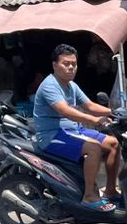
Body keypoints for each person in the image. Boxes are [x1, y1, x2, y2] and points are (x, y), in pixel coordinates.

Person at [31, 44, 121, 210]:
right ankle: (89, 197)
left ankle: (110, 190)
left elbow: (90, 105)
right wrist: (95, 121)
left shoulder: (71, 85)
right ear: (54, 65)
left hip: (72, 131)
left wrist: (116, 113)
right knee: (93, 148)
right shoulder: (50, 85)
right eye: (66, 63)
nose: (71, 67)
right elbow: (66, 111)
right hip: (52, 136)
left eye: (74, 63)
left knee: (113, 144)